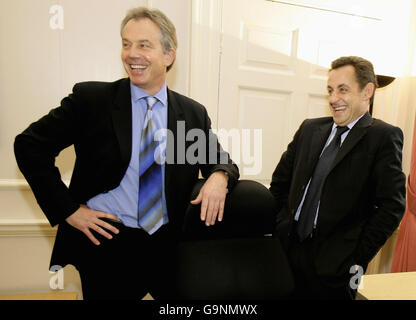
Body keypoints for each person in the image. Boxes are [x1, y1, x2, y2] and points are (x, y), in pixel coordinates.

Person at [14, 7, 239, 300]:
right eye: (126, 43)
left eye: (144, 45)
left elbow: (220, 159)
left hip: (166, 249)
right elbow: (29, 145)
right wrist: (68, 210)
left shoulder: (192, 114)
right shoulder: (91, 100)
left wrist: (219, 176)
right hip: (106, 244)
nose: (131, 53)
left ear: (169, 55)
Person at [270, 56, 406, 299]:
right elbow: (280, 183)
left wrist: (355, 258)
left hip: (337, 268)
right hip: (287, 255)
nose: (333, 99)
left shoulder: (383, 137)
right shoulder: (309, 128)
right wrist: (281, 227)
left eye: (343, 90)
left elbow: (391, 206)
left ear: (367, 91)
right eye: (330, 90)